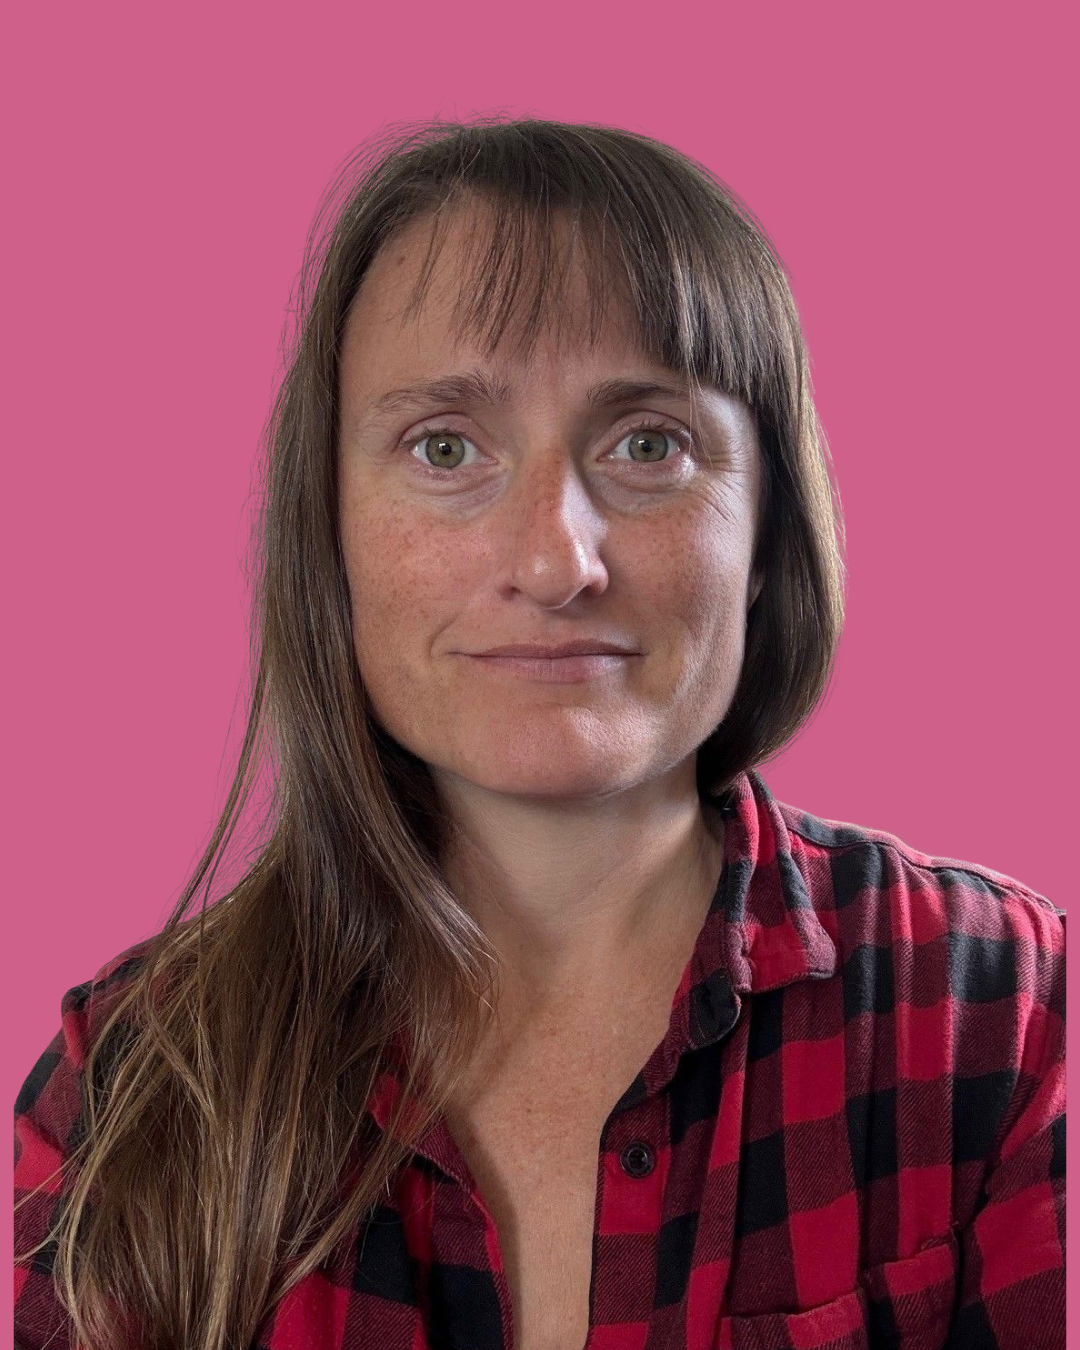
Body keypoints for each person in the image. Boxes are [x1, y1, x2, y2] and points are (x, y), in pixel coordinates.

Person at [14, 115, 1064, 1350]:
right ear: (331, 535)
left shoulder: (1002, 1011)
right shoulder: (129, 1085)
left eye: (649, 445)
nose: (557, 561)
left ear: (770, 535)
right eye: (445, 447)